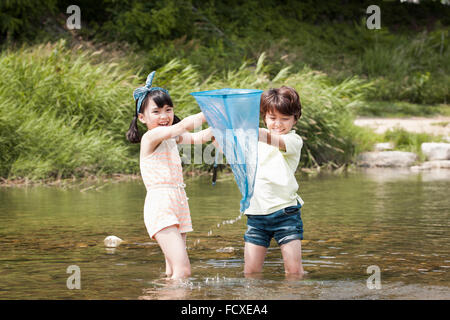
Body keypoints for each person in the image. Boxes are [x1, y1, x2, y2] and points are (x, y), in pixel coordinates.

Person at [127, 71, 212, 279]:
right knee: (183, 271)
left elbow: (200, 137)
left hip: (179, 201)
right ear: (142, 117)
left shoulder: (171, 137)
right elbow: (182, 126)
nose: (164, 116)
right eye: (156, 112)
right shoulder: (151, 136)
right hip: (161, 204)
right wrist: (213, 110)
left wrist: (223, 125)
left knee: (173, 270)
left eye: (168, 110)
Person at [243, 85, 305, 277]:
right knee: (251, 273)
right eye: (272, 118)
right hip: (255, 215)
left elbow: (269, 138)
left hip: (285, 214)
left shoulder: (293, 141)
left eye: (285, 119)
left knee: (294, 272)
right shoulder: (255, 136)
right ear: (264, 117)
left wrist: (244, 127)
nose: (278, 124)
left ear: (295, 119)